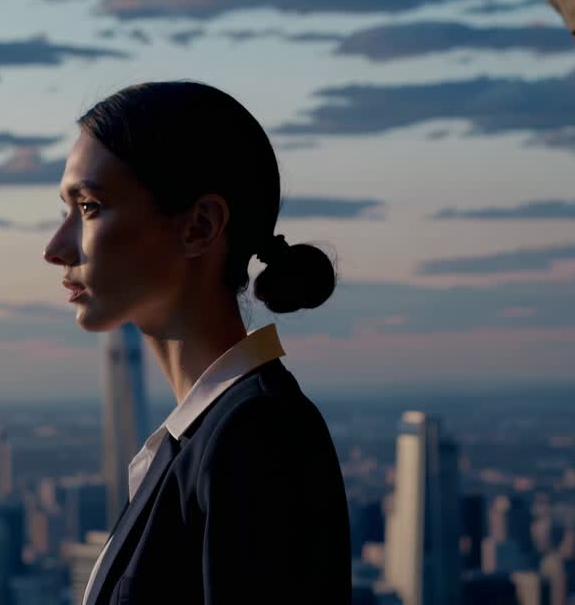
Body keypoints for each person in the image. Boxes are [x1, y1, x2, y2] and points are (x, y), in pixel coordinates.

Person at [43, 81, 352, 604]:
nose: (55, 248)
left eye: (89, 207)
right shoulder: (204, 436)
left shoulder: (258, 436)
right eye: (65, 211)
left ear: (200, 227)